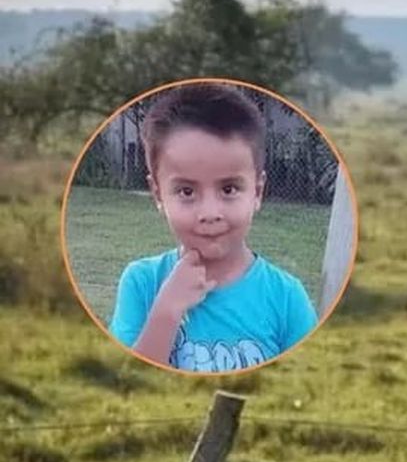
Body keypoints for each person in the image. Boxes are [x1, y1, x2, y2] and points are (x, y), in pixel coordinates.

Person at [109, 82, 317, 373]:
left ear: (257, 192)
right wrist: (167, 311)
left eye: (229, 189)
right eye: (186, 191)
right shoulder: (142, 284)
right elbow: (126, 389)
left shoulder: (286, 298)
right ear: (158, 195)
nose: (209, 213)